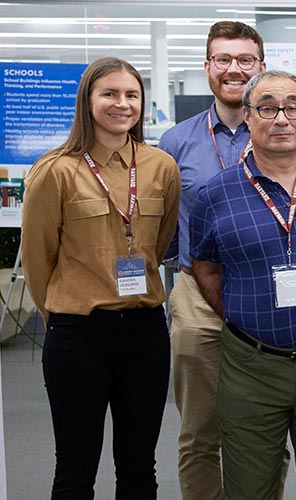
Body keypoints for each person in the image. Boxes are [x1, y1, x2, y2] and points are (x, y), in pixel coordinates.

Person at [157, 21, 296, 500]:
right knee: (200, 432)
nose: (234, 68)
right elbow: (165, 226)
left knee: (269, 431)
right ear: (207, 67)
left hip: (272, 296)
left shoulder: (295, 137)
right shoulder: (175, 143)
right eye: (223, 59)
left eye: (245, 59)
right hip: (199, 300)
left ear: (261, 66)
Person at [189, 70, 296, 500]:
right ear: (248, 117)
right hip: (252, 366)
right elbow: (205, 267)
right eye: (267, 107)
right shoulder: (215, 195)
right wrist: (243, 315)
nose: (281, 118)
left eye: (292, 107)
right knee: (250, 487)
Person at [22, 56, 180, 500]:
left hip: (146, 335)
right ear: (87, 100)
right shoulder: (54, 170)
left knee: (138, 468)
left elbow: (160, 242)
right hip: (78, 335)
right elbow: (38, 261)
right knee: (75, 468)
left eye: (131, 95)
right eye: (109, 93)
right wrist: (62, 313)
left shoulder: (160, 167)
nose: (122, 104)